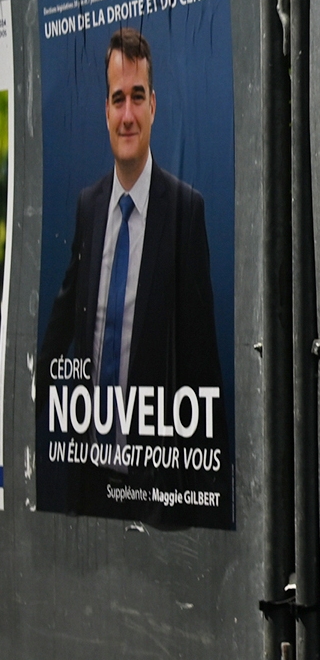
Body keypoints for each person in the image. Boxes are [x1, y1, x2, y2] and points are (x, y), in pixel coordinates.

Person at [40, 27, 224, 514]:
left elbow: (203, 362)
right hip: (88, 482)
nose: (127, 114)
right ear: (105, 111)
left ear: (154, 106)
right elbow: (62, 322)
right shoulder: (88, 207)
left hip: (155, 496)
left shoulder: (186, 212)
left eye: (136, 98)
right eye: (117, 99)